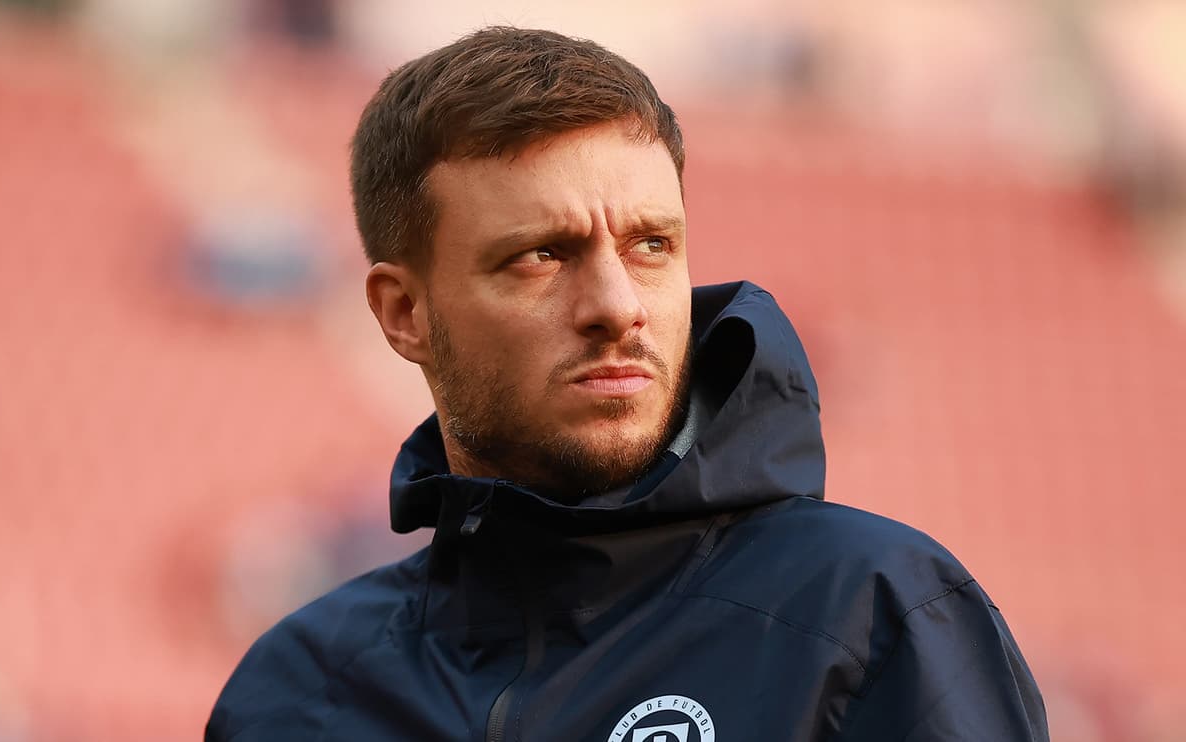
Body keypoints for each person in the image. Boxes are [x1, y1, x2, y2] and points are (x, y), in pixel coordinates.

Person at [205, 26, 1048, 741]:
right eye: (541, 255)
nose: (618, 307)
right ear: (404, 313)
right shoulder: (292, 696)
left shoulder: (869, 609)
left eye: (651, 246)